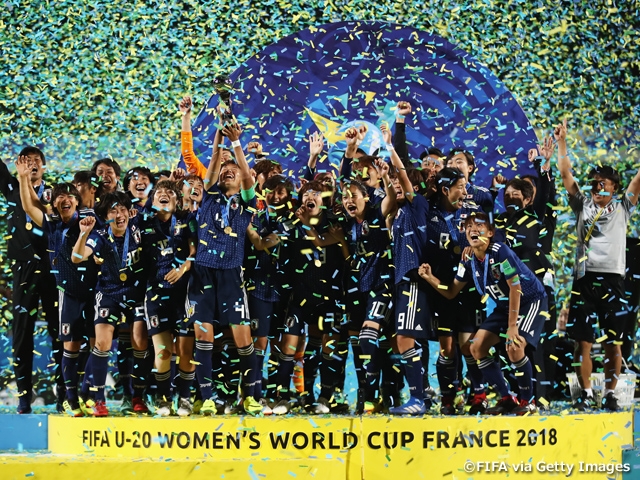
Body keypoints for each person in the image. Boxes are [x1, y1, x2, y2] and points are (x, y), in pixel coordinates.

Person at [420, 212, 549, 415]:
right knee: (477, 348)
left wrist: (512, 326)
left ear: (490, 233)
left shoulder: (500, 252)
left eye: (479, 226)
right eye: (468, 226)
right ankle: (507, 398)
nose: (473, 229)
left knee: (514, 347)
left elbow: (515, 287)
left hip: (529, 301)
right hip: (505, 307)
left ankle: (528, 402)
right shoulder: (468, 260)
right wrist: (429, 278)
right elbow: (451, 291)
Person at [556, 119, 640, 411]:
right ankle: (586, 393)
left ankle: (612, 393)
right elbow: (566, 173)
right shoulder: (582, 205)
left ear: (615, 187)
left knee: (612, 343)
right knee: (583, 343)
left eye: (604, 181)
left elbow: (638, 180)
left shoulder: (623, 207)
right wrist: (563, 142)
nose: (597, 184)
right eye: (595, 181)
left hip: (613, 279)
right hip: (585, 280)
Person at [184, 120, 262, 416]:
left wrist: (238, 144)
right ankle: (206, 398)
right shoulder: (207, 195)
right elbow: (214, 166)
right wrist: (219, 135)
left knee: (243, 338)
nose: (228, 172)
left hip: (231, 275)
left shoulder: (246, 203)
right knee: (203, 336)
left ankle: (251, 395)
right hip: (202, 274)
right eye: (224, 171)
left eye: (235, 171)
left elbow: (246, 178)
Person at [17, 158, 99, 417]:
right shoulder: (51, 224)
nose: (65, 199)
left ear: (77, 201)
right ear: (54, 203)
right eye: (60, 196)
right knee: (70, 347)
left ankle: (88, 393)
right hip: (68, 294)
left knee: (98, 344)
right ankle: (71, 399)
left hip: (94, 293)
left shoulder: (90, 221)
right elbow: (29, 206)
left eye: (70, 196)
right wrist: (22, 179)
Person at [71, 192, 146, 416]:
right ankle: (99, 400)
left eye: (123, 209)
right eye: (113, 210)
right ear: (106, 215)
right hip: (109, 293)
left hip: (136, 294)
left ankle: (138, 397)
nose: (120, 214)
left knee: (140, 342)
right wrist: (83, 233)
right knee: (102, 343)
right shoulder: (100, 236)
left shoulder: (139, 230)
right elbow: (76, 257)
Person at [2, 148, 63, 413]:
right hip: (24, 269)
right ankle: (24, 397)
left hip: (53, 268)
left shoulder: (56, 194)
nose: (32, 165)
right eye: (26, 161)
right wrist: (20, 176)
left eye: (37, 161)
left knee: (59, 330)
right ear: (18, 165)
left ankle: (64, 393)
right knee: (21, 333)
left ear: (45, 166)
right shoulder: (12, 188)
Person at [140, 180, 196, 416]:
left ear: (176, 200)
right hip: (155, 296)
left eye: (169, 193)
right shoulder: (143, 225)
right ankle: (163, 398)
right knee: (163, 352)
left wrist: (183, 268)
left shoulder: (186, 222)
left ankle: (184, 397)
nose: (164, 195)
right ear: (152, 202)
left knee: (185, 351)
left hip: (184, 296)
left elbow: (194, 252)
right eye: (159, 193)